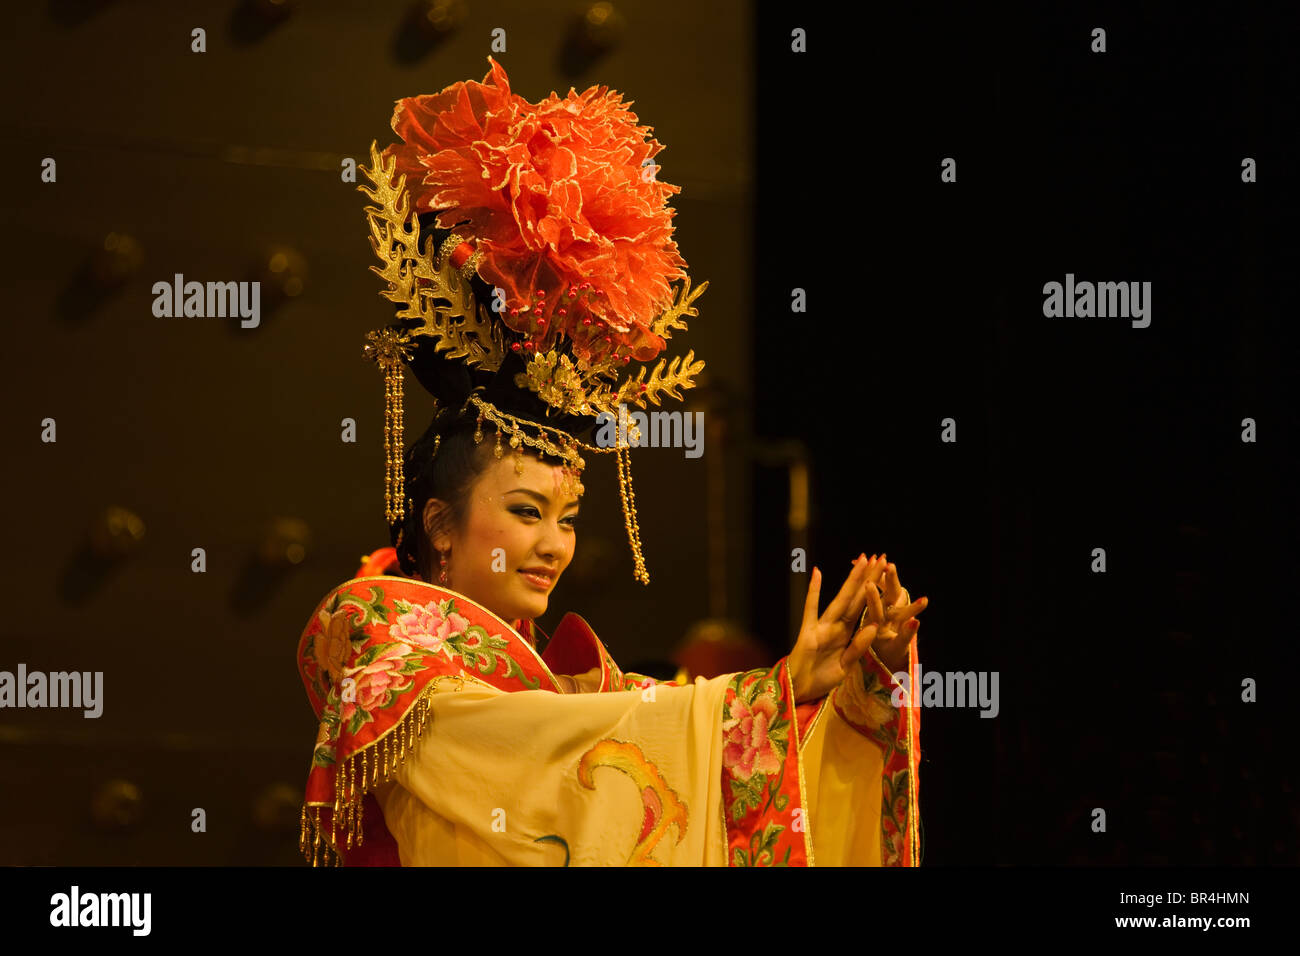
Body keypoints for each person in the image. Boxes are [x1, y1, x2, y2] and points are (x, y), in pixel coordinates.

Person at [297, 57, 928, 867]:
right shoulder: (401, 672)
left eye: (565, 518)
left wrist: (835, 696)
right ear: (440, 526)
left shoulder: (558, 692)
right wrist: (767, 695)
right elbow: (567, 747)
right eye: (526, 512)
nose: (555, 545)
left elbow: (658, 728)